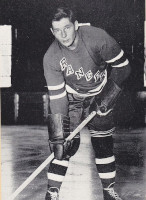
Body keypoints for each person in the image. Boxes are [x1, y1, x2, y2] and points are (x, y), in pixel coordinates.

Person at [43, 6, 131, 200]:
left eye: (66, 28)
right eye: (57, 30)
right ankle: (52, 193)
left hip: (100, 92)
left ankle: (108, 191)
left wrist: (106, 98)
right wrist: (59, 135)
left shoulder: (98, 38)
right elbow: (57, 98)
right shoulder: (51, 57)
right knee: (63, 147)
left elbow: (123, 68)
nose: (63, 34)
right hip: (71, 97)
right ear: (52, 31)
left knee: (102, 143)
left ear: (76, 25)